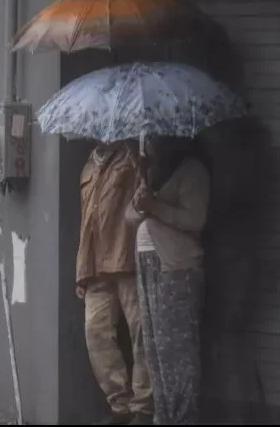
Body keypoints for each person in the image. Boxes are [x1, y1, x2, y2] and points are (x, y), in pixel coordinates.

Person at [126, 136, 210, 425]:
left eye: (153, 139)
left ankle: (184, 417)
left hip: (176, 269)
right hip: (148, 267)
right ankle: (164, 416)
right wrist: (141, 193)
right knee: (155, 349)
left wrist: (153, 205)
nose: (148, 145)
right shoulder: (151, 174)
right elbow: (129, 217)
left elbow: (195, 220)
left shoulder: (191, 170)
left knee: (177, 350)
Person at [77, 141, 153, 426]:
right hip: (96, 266)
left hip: (127, 260)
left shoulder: (133, 157)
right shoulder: (89, 164)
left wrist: (142, 165)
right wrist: (81, 270)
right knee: (95, 332)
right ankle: (120, 404)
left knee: (141, 334)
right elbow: (85, 222)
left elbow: (144, 199)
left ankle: (143, 407)